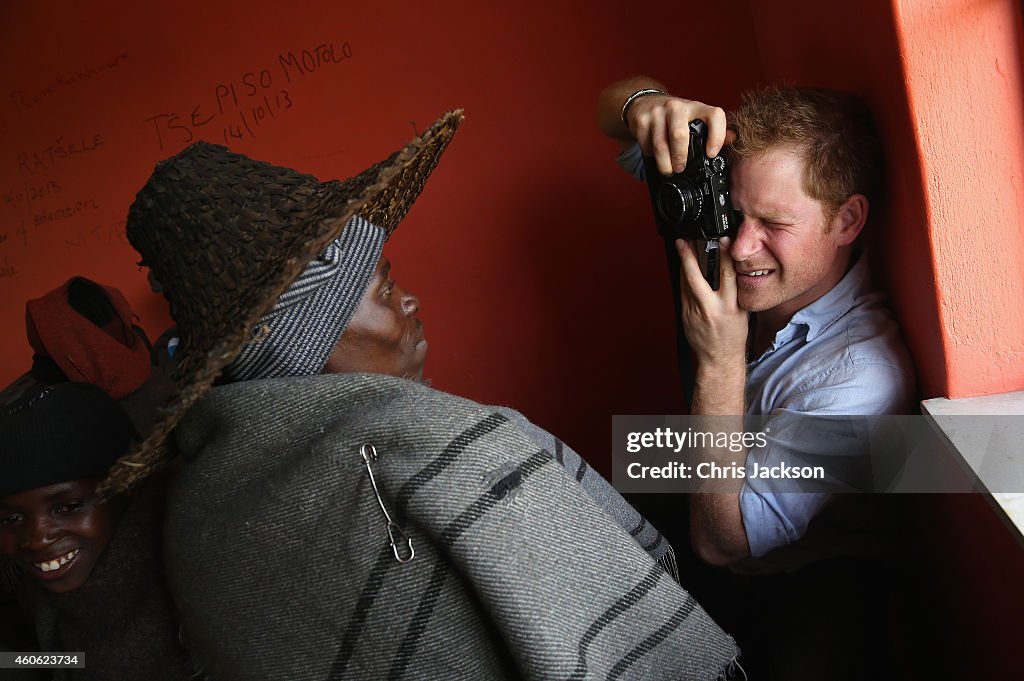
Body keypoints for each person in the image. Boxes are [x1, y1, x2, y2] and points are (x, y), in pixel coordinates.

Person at [98, 111, 741, 680]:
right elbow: (715, 553)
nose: (410, 301)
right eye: (381, 288)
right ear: (298, 340)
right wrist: (719, 363)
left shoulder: (193, 513)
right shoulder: (447, 447)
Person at [598, 77, 916, 679]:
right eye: (736, 213)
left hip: (800, 587)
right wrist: (651, 108)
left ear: (847, 220)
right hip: (689, 489)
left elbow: (724, 545)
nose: (741, 248)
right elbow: (611, 108)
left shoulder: (859, 377)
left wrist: (718, 362)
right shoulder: (735, 232)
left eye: (774, 222)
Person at [0, 381, 195, 680]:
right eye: (10, 519)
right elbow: (72, 661)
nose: (37, 539)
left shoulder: (189, 580)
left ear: (128, 488)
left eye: (69, 507)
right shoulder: (38, 595)